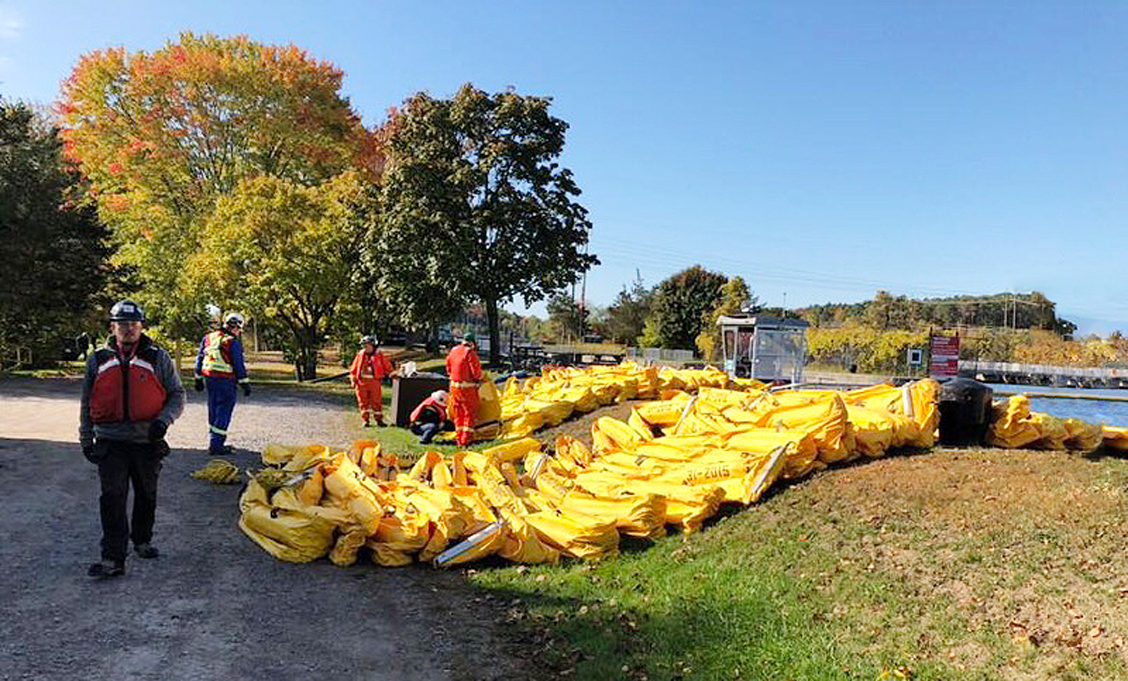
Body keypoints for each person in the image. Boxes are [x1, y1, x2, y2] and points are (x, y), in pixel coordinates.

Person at [79, 299, 184, 579]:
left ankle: (141, 539)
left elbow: (177, 394)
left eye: (133, 324)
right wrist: (85, 437)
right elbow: (87, 400)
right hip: (110, 440)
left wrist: (163, 421)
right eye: (122, 324)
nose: (128, 329)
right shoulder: (99, 359)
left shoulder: (157, 357)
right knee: (112, 496)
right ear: (113, 327)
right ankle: (112, 558)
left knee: (146, 493)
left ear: (141, 326)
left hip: (146, 440)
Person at [194, 312, 250, 456]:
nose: (238, 332)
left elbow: (200, 358)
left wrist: (198, 378)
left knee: (213, 408)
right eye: (239, 329)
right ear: (236, 327)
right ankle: (216, 445)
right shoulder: (231, 341)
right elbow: (238, 364)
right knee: (224, 410)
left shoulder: (208, 338)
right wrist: (244, 383)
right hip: (225, 380)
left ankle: (214, 440)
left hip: (210, 379)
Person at [446, 332, 482, 447]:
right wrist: (480, 379)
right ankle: (465, 440)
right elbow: (476, 373)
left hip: (454, 387)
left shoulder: (453, 350)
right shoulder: (470, 353)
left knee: (458, 413)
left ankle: (458, 438)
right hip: (467, 388)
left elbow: (448, 367)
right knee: (469, 413)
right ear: (472, 343)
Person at [348, 335, 394, 427]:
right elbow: (354, 369)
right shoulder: (360, 355)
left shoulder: (379, 355)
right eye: (364, 345)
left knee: (376, 402)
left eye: (367, 345)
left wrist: (392, 373)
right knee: (363, 403)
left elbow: (387, 366)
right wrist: (353, 380)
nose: (365, 347)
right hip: (361, 383)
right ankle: (366, 420)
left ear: (373, 345)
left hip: (374, 382)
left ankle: (379, 420)